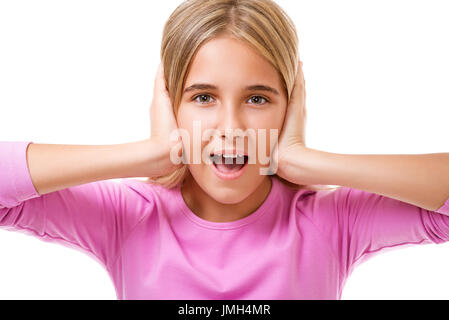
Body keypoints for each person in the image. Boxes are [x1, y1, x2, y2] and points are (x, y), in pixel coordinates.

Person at [1, 0, 448, 300]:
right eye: (202, 97)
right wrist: (151, 152)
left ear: (290, 108)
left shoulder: (330, 221)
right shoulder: (126, 216)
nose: (231, 129)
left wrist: (300, 159)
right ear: (170, 104)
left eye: (258, 99)